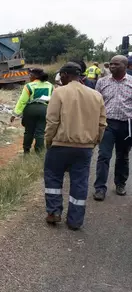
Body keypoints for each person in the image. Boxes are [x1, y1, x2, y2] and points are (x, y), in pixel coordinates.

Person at [44, 62, 106, 230]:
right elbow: (102, 124)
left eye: (61, 76)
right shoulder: (96, 95)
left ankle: (54, 212)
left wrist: (48, 141)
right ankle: (75, 221)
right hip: (85, 147)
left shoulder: (59, 93)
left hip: (60, 145)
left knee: (53, 178)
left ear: (64, 75)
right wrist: (94, 142)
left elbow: (52, 121)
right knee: (80, 182)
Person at [92, 55, 132, 201]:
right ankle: (100, 188)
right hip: (107, 124)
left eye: (116, 64)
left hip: (126, 125)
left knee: (123, 156)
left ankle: (120, 184)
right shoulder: (102, 82)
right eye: (111, 64)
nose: (112, 66)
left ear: (125, 66)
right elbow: (97, 104)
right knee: (103, 156)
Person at [11, 68, 54, 154]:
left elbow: (22, 101)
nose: (29, 77)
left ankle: (26, 151)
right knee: (40, 132)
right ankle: (39, 152)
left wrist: (15, 114)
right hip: (44, 109)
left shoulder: (29, 86)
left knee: (29, 132)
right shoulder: (50, 85)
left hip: (30, 110)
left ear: (35, 76)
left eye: (30, 75)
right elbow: (53, 99)